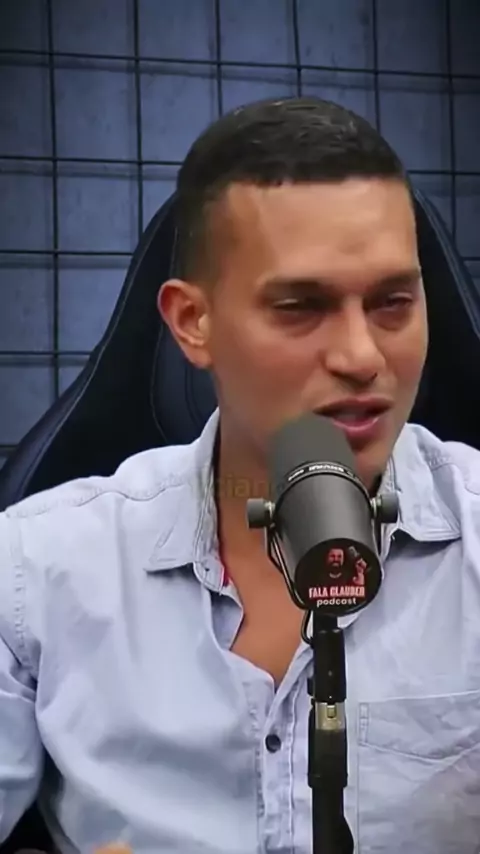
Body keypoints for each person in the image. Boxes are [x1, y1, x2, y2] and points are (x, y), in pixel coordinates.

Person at [1, 95, 479, 854]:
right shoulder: (35, 572)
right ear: (194, 323)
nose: (362, 356)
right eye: (300, 307)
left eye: (393, 303)